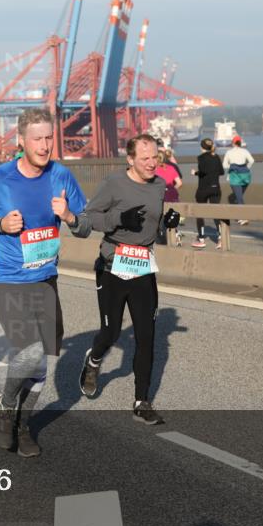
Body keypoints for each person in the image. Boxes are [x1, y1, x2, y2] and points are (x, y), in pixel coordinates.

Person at [0, 108, 91, 458]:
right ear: (21, 141)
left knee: (42, 362)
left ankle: (23, 423)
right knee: (30, 352)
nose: (45, 145)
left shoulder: (61, 176)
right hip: (7, 278)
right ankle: (6, 406)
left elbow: (85, 227)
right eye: (37, 139)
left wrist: (69, 216)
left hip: (45, 278)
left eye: (49, 138)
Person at [79, 134, 179, 425]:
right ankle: (94, 360)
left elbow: (152, 225)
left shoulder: (159, 185)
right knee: (110, 333)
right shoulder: (114, 183)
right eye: (145, 158)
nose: (152, 163)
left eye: (155, 157)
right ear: (131, 159)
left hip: (143, 268)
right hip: (112, 267)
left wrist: (166, 224)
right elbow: (89, 218)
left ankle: (141, 401)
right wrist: (120, 219)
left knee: (147, 337)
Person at [190, 138, 225, 249]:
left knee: (200, 213)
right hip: (216, 188)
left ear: (202, 147)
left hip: (203, 189)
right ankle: (221, 238)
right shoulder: (216, 157)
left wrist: (195, 173)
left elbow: (203, 171)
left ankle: (201, 239)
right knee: (216, 213)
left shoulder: (201, 158)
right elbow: (222, 172)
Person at [222, 135, 254, 225]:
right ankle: (239, 214)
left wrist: (233, 167)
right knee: (239, 196)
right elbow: (252, 161)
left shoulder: (229, 152)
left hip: (234, 177)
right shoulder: (245, 151)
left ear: (233, 143)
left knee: (239, 197)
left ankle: (243, 217)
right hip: (246, 176)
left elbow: (224, 165)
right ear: (240, 143)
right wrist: (246, 167)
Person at [154, 147, 183, 246]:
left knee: (161, 220)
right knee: (172, 217)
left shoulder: (154, 170)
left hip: (160, 197)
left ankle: (163, 241)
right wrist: (171, 189)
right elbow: (179, 183)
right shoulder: (171, 168)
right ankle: (176, 235)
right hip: (173, 195)